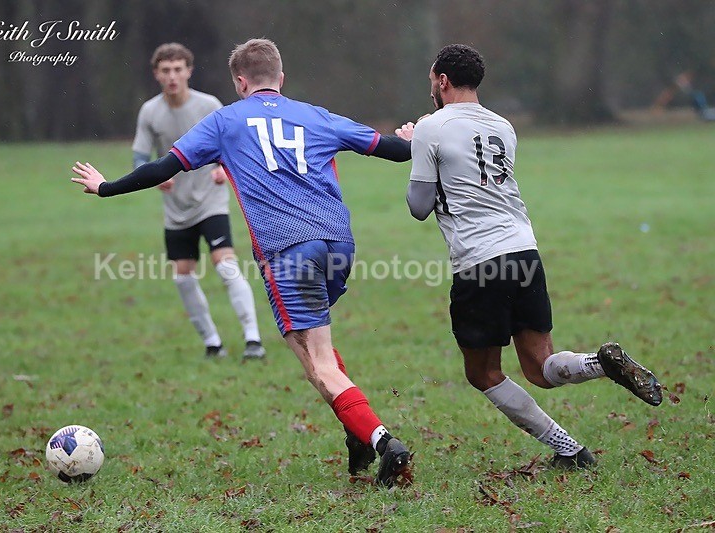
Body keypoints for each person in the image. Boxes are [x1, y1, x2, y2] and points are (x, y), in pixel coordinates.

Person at [71, 38, 413, 487]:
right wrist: (411, 139)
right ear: (281, 78)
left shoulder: (224, 121)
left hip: (288, 250)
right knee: (314, 348)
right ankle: (357, 430)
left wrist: (105, 187)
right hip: (339, 243)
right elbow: (392, 149)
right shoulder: (315, 114)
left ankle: (384, 443)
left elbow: (163, 168)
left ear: (240, 82)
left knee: (318, 363)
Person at [402, 44, 663, 469]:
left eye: (432, 81)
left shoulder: (432, 126)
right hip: (523, 250)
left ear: (443, 80)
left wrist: (416, 147)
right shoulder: (504, 126)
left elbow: (418, 206)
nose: (431, 88)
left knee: (482, 372)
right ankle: (601, 364)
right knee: (541, 367)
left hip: (478, 261)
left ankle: (569, 450)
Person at [133, 43, 265, 360]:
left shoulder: (209, 105)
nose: (172, 76)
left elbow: (235, 145)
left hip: (210, 200)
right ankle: (212, 343)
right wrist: (153, 176)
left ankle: (253, 339)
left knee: (226, 265)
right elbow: (140, 159)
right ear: (157, 75)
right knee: (182, 276)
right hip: (176, 209)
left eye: (178, 69)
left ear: (189, 71)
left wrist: (223, 168)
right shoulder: (150, 112)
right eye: (166, 71)